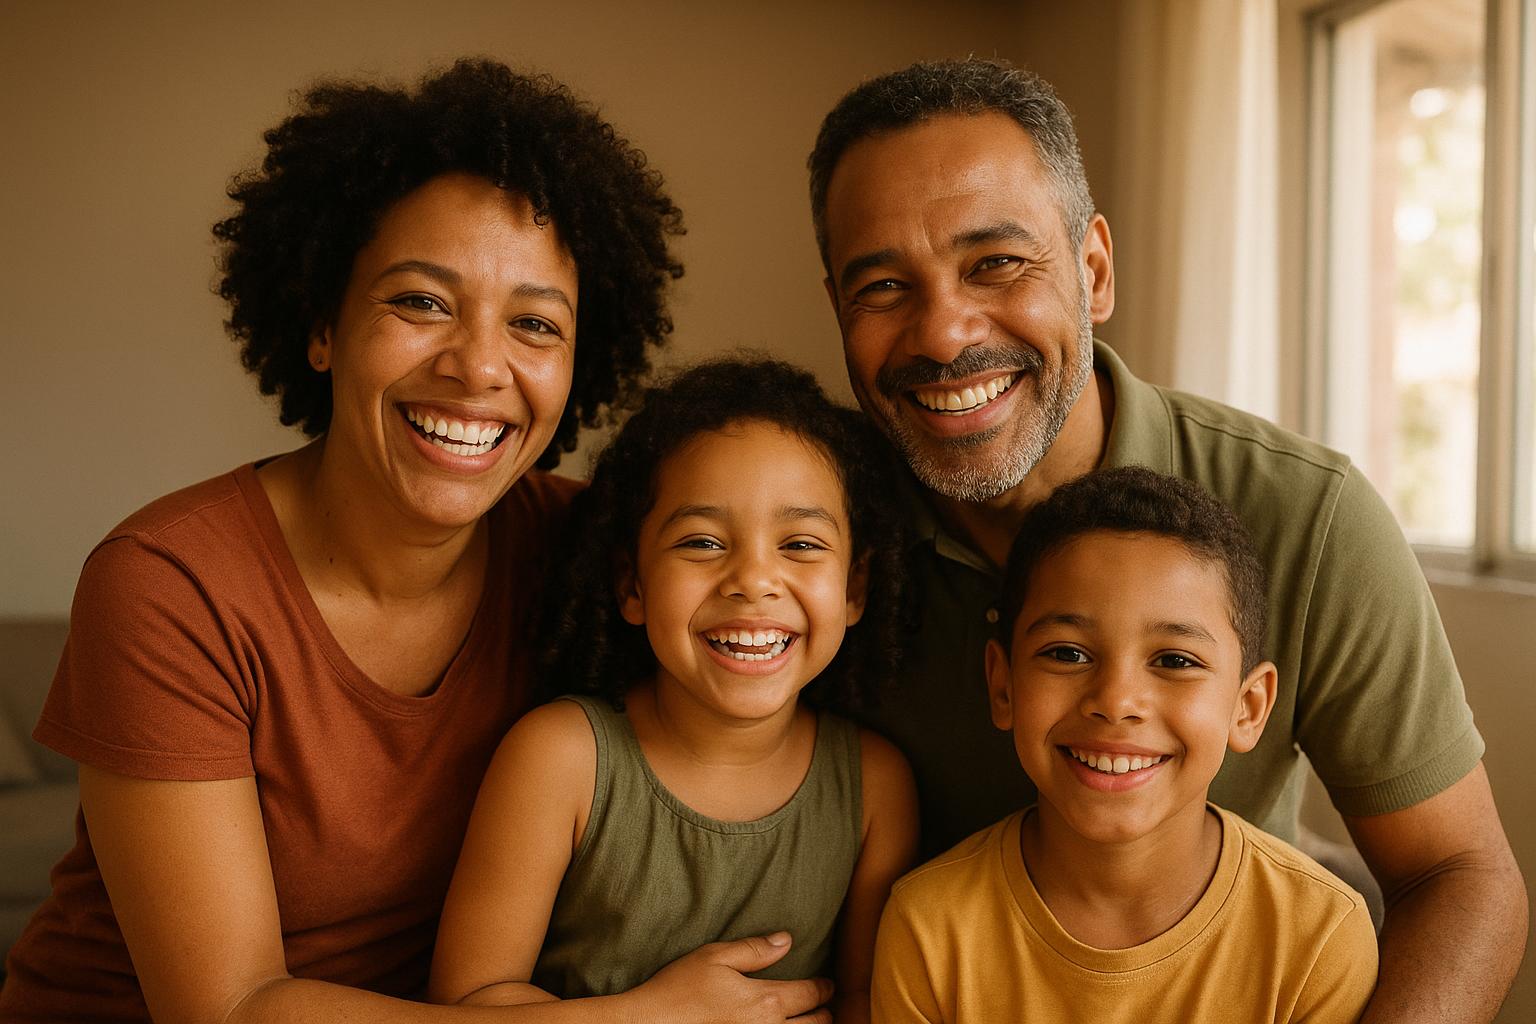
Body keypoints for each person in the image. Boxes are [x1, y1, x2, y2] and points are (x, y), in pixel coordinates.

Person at [0, 61, 836, 1024]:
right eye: (421, 302)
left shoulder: (585, 551)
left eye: (534, 323)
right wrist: (644, 1018)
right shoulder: (169, 586)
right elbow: (228, 1008)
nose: (480, 364)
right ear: (323, 325)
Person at [807, 57, 1526, 1022]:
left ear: (1093, 270)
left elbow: (1461, 873)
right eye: (884, 287)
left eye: (996, 263)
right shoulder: (800, 538)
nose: (942, 334)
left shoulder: (1307, 515)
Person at [428, 358, 918, 1023]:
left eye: (801, 544)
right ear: (632, 584)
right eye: (702, 541)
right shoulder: (560, 759)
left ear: (855, 588)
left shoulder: (875, 788)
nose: (753, 580)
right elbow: (465, 1005)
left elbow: (866, 1003)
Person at [871, 466, 1378, 1022]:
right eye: (1067, 653)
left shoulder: (1318, 938)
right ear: (1003, 686)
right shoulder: (928, 929)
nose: (1116, 701)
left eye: (1175, 661)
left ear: (1248, 707)